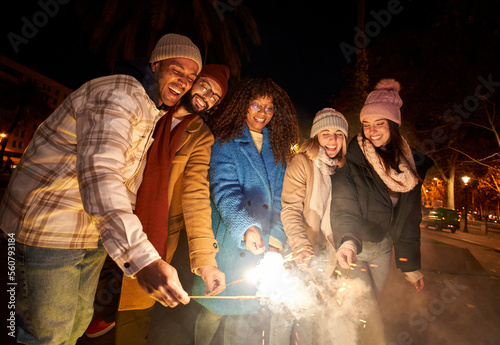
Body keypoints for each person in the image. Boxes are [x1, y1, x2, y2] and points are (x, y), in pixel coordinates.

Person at [0, 33, 203, 345]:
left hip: (87, 231)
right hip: (47, 227)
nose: (184, 82)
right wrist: (143, 258)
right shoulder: (118, 94)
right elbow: (101, 173)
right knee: (46, 333)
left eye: (191, 77)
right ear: (155, 64)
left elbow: (127, 181)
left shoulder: (151, 108)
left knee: (76, 323)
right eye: (177, 70)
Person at [114, 64, 231, 345]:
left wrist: (205, 262)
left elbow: (196, 196)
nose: (208, 96)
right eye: (204, 85)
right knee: (86, 308)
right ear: (189, 81)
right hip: (111, 221)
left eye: (215, 96)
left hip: (153, 234)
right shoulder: (149, 110)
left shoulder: (201, 136)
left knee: (134, 314)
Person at [192, 78, 299, 345]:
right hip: (230, 242)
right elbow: (224, 190)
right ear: (243, 106)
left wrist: (276, 238)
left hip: (261, 247)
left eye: (269, 108)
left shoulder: (278, 148)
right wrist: (246, 226)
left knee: (242, 316)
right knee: (213, 312)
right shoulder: (225, 141)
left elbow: (282, 200)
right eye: (255, 105)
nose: (262, 113)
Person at [331, 79, 434, 344]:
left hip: (383, 251)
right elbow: (345, 206)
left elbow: (408, 220)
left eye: (379, 123)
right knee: (367, 315)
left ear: (393, 125)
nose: (372, 131)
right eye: (366, 124)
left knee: (363, 313)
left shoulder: (408, 167)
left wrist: (409, 265)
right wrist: (347, 241)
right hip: (355, 248)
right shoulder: (352, 158)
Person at [279, 108, 349, 344]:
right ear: (316, 136)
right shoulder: (302, 163)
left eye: (339, 133)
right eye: (326, 132)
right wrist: (300, 246)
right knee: (284, 318)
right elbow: (290, 209)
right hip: (298, 251)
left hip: (324, 256)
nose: (332, 139)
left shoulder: (341, 170)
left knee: (309, 321)